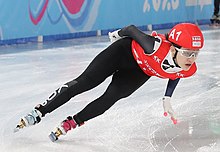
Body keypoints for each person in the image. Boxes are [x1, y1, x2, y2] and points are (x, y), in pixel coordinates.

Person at [15, 23, 204, 141]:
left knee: (110, 98)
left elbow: (176, 74)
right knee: (84, 82)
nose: (191, 58)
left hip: (139, 72)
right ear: (173, 49)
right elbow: (131, 29)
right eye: (187, 53)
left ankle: (72, 122)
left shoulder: (190, 68)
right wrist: (117, 35)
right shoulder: (153, 46)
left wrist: (167, 98)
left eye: (195, 53)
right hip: (122, 53)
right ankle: (39, 111)